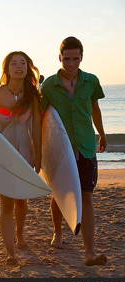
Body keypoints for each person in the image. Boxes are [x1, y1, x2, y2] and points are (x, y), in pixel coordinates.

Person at [41, 36, 107, 266]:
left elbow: (95, 108)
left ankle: (90, 251)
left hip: (86, 145)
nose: (70, 64)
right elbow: (43, 118)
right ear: (59, 57)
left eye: (75, 59)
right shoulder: (48, 85)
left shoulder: (91, 81)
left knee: (86, 196)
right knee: (59, 193)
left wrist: (102, 133)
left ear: (81, 57)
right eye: (66, 59)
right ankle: (58, 232)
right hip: (61, 147)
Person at [0, 51, 42, 265]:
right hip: (2, 156)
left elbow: (36, 126)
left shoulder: (32, 95)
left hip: (24, 154)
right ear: (7, 68)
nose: (18, 66)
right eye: (14, 63)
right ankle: (10, 252)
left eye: (22, 63)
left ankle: (20, 234)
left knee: (21, 200)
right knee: (6, 203)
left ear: (28, 68)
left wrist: (38, 155)